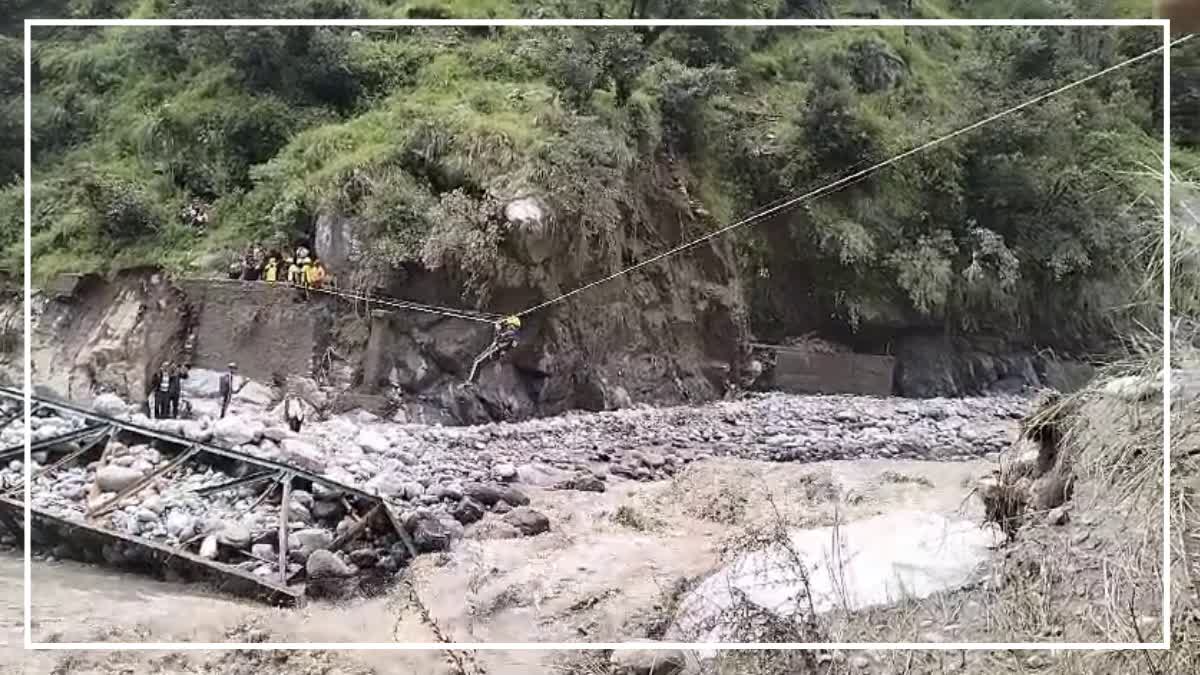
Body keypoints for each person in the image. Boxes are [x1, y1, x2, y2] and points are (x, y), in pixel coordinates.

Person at [467, 315, 521, 383]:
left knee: (477, 361)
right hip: (496, 350)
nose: (508, 327)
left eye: (509, 326)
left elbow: (499, 341)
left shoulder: (512, 335)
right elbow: (498, 339)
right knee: (477, 361)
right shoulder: (513, 335)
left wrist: (497, 328)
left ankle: (470, 381)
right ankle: (471, 380)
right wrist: (498, 327)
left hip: (496, 350)